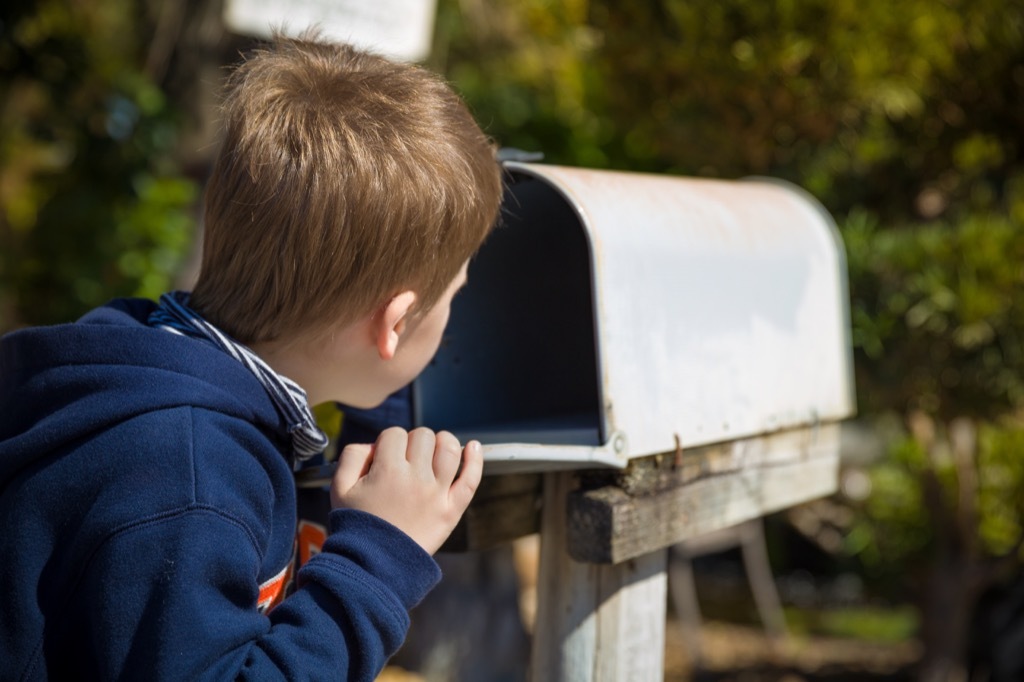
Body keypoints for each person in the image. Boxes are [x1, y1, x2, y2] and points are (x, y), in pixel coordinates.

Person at [0, 32, 504, 681]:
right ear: (397, 323)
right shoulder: (189, 483)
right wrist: (380, 558)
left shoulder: (152, 372)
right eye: (453, 297)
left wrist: (381, 416)